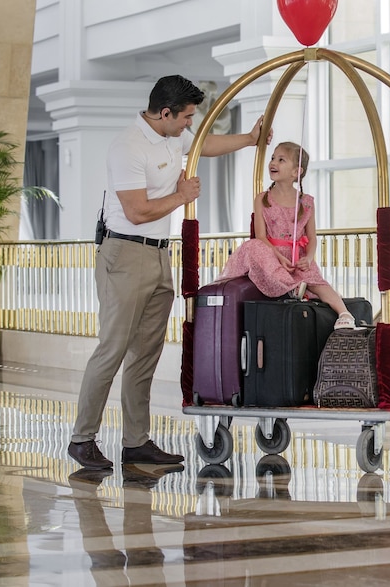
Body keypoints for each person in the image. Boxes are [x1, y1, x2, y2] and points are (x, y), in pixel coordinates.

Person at [68, 74, 269, 470]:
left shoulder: (172, 136)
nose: (190, 125)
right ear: (165, 113)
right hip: (124, 256)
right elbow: (137, 211)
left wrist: (249, 138)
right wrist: (182, 196)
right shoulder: (127, 146)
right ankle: (82, 438)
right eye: (187, 117)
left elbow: (205, 145)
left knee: (145, 354)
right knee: (112, 349)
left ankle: (136, 442)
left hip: (159, 255)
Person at [217, 141, 360, 330]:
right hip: (270, 253)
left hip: (297, 255)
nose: (273, 163)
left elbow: (312, 238)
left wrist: (308, 259)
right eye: (273, 158)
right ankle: (293, 287)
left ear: (296, 172)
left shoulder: (306, 202)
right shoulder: (262, 199)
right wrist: (279, 257)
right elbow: (260, 236)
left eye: (281, 160)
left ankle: (344, 313)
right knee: (254, 247)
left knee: (316, 281)